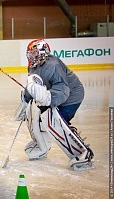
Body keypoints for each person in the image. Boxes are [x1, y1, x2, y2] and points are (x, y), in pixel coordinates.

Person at [16, 39, 94, 170]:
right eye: (29, 53)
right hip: (51, 96)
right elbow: (34, 85)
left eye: (34, 53)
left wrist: (48, 99)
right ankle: (41, 148)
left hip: (70, 97)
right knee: (36, 117)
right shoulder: (33, 66)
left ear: (43, 53)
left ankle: (83, 154)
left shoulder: (53, 65)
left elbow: (63, 90)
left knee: (55, 123)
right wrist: (26, 99)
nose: (31, 56)